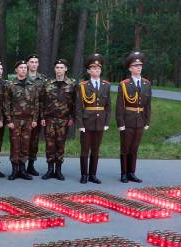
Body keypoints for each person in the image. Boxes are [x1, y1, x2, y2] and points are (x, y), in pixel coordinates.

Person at [75, 53, 111, 184]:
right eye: (93, 68)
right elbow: (78, 106)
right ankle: (84, 174)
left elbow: (108, 106)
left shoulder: (106, 85)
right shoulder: (83, 85)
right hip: (86, 121)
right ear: (89, 71)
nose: (96, 71)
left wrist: (106, 122)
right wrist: (80, 124)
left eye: (98, 69)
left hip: (100, 121)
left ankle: (93, 174)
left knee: (96, 149)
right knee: (85, 149)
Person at [116, 51, 151, 183]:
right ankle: (124, 173)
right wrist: (120, 123)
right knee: (125, 148)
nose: (139, 67)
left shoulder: (147, 84)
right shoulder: (124, 84)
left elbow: (148, 104)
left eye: (140, 65)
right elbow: (120, 105)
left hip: (140, 120)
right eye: (136, 65)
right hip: (128, 120)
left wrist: (147, 120)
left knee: (134, 148)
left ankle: (132, 172)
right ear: (130, 68)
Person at [40, 59, 75, 181]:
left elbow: (75, 103)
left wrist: (72, 117)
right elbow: (42, 102)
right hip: (49, 119)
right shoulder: (47, 83)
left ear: (66, 69)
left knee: (60, 144)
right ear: (54, 69)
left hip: (63, 119)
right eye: (57, 67)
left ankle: (58, 170)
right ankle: (50, 169)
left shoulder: (72, 84)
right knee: (50, 145)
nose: (59, 70)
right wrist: (42, 117)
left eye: (61, 67)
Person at [3, 59, 39, 180]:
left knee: (25, 144)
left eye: (25, 68)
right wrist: (9, 121)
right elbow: (6, 104)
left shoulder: (32, 84)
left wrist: (35, 119)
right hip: (15, 119)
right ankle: (14, 169)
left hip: (28, 120)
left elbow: (36, 103)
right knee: (15, 145)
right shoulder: (11, 85)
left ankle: (23, 169)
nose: (23, 70)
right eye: (21, 68)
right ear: (16, 70)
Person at [25, 54, 47, 176]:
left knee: (34, 141)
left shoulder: (43, 79)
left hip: (37, 115)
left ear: (38, 64)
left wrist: (43, 116)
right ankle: (20, 166)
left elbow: (44, 100)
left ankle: (31, 166)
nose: (33, 64)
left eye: (36, 62)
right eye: (31, 62)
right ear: (27, 64)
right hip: (23, 115)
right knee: (23, 141)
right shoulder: (22, 76)